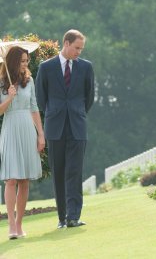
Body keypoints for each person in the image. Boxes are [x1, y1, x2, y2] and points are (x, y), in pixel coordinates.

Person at [36, 29, 94, 228]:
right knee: (59, 172)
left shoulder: (86, 67)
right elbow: (41, 99)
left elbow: (89, 97)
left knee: (74, 171)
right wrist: (55, 113)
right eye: (77, 48)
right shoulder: (46, 67)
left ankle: (73, 217)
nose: (79, 52)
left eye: (81, 49)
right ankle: (62, 218)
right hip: (55, 127)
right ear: (66, 43)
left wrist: (76, 112)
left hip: (77, 126)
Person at [0, 46, 45, 239]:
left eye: (26, 60)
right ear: (12, 62)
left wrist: (40, 135)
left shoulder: (30, 81)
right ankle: (10, 226)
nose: (25, 64)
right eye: (22, 61)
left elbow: (34, 108)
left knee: (24, 180)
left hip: (27, 129)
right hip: (10, 128)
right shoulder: (2, 82)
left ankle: (19, 225)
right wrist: (9, 97)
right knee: (11, 179)